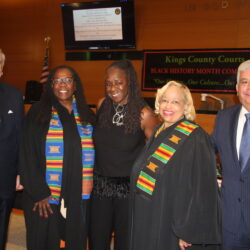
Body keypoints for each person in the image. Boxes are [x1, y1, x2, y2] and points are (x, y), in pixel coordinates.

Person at [129, 81, 221, 250]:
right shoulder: (158, 130)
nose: (168, 106)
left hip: (171, 223)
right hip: (149, 216)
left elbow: (203, 188)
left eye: (175, 101)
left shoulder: (196, 137)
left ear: (186, 106)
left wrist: (189, 229)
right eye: (164, 100)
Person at [19, 65, 95, 250]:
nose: (63, 84)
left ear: (75, 85)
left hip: (79, 193)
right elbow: (26, 152)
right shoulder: (38, 112)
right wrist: (39, 192)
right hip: (44, 195)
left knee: (75, 238)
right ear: (51, 85)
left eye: (68, 80)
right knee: (44, 240)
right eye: (57, 80)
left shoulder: (86, 114)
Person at [89, 59, 159, 250]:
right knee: (96, 239)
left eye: (118, 82)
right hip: (100, 186)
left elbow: (155, 156)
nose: (113, 88)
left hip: (128, 190)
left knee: (125, 242)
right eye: (109, 83)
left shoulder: (144, 114)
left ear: (130, 82)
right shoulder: (102, 104)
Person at [211, 60, 250, 250]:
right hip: (229, 224)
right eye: (244, 82)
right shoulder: (223, 117)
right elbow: (205, 153)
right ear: (236, 88)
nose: (249, 88)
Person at [0, 49, 24, 250]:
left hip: (4, 177)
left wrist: (19, 172)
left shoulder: (14, 95)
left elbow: (19, 136)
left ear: (1, 69)